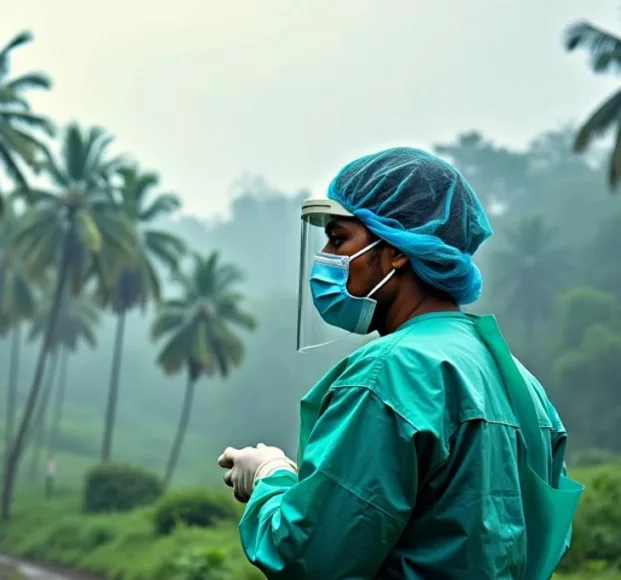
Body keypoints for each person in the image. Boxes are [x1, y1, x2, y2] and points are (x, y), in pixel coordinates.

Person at [217, 147, 583, 579]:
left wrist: (269, 477)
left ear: (398, 252)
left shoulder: (388, 373)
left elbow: (312, 557)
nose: (327, 260)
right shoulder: (520, 383)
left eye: (339, 241)